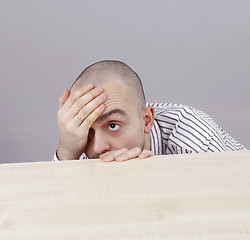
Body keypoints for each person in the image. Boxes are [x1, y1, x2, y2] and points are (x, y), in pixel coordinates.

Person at [53, 60, 246, 162]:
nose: (97, 148)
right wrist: (67, 152)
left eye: (113, 125)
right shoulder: (83, 144)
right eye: (88, 129)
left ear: (146, 120)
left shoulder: (194, 139)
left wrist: (151, 175)